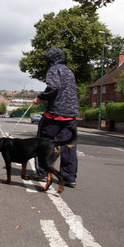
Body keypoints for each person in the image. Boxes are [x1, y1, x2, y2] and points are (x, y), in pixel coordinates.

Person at [32, 48, 79, 188]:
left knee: (43, 143)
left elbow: (54, 87)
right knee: (68, 146)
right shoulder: (69, 71)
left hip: (54, 114)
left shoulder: (54, 69)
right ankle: (68, 177)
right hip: (70, 115)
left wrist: (41, 97)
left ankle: (42, 172)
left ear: (50, 59)